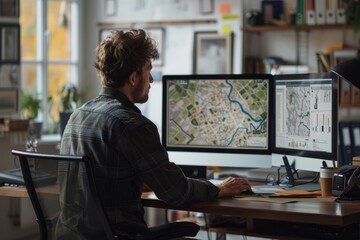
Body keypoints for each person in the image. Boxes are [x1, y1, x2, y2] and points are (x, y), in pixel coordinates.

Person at [57, 29, 251, 239]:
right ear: (133, 78)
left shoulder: (78, 115)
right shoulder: (133, 124)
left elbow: (100, 177)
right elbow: (178, 193)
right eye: (148, 71)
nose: (150, 79)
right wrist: (218, 188)